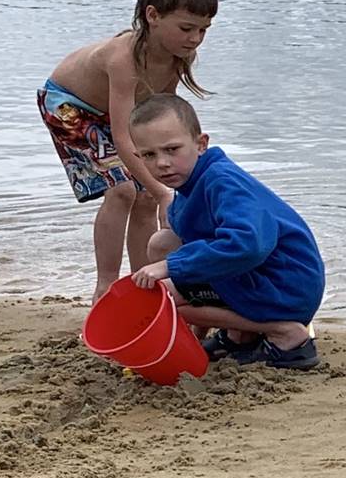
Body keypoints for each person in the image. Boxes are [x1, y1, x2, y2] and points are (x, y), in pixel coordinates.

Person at [40, 0, 217, 300]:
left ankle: (143, 283)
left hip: (118, 112)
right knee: (122, 189)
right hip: (67, 106)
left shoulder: (182, 54)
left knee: (147, 194)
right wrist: (167, 193)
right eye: (186, 28)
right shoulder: (123, 59)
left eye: (203, 30)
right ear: (153, 15)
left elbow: (163, 115)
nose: (195, 39)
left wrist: (182, 166)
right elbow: (123, 137)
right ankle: (105, 285)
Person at [129, 95, 324, 370]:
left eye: (172, 149)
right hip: (260, 277)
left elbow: (248, 245)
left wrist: (171, 266)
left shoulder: (223, 182)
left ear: (201, 144)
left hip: (287, 287)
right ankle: (239, 335)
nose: (162, 163)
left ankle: (286, 333)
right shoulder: (188, 186)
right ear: (138, 157)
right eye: (150, 155)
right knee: (163, 242)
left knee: (167, 297)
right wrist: (199, 330)